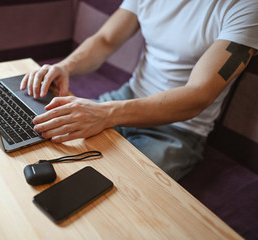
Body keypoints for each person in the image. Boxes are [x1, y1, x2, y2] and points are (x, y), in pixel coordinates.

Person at [20, 0, 258, 180]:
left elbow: (199, 95)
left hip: (177, 130)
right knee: (41, 145)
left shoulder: (247, 8)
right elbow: (105, 40)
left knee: (100, 185)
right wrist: (65, 67)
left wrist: (105, 114)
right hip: (125, 97)